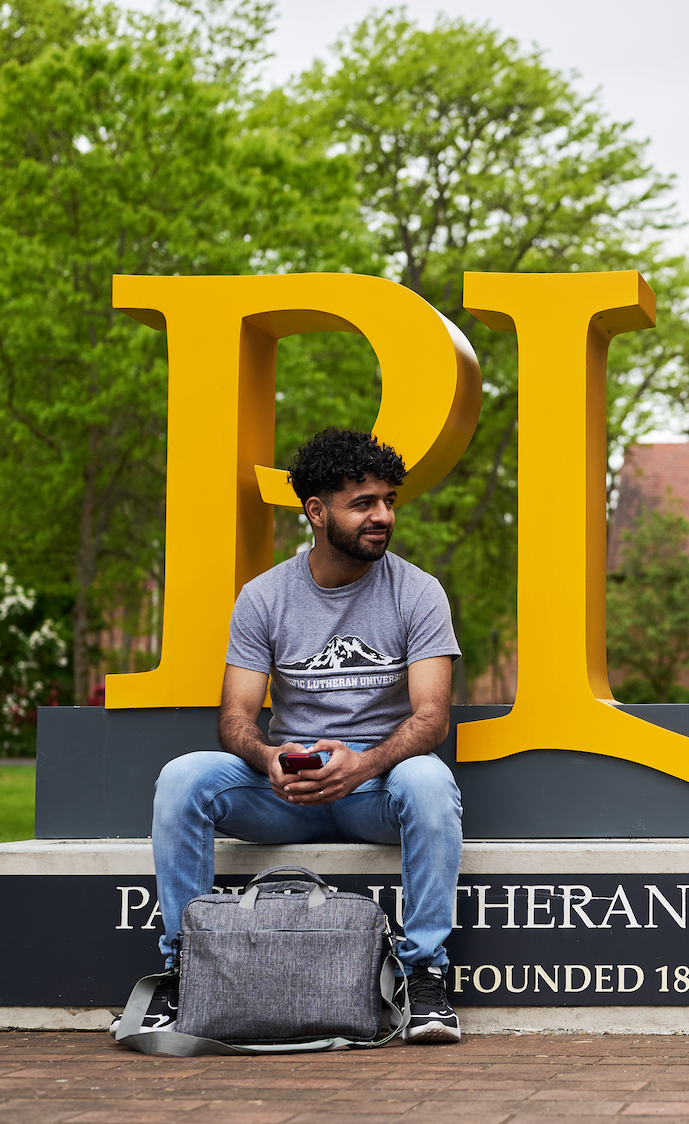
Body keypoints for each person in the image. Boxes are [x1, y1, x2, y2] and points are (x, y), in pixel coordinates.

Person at [120, 428, 466, 1044]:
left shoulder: (418, 592)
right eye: (363, 503)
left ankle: (424, 976)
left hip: (374, 793)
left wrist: (361, 766)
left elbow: (431, 719)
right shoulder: (264, 598)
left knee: (430, 780)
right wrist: (267, 755)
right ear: (315, 511)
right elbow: (234, 719)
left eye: (387, 500)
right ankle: (184, 971)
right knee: (183, 778)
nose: (382, 516)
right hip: (288, 791)